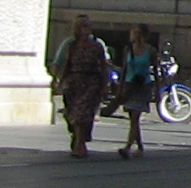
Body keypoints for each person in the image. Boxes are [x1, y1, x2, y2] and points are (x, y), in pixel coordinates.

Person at [49, 17, 112, 158]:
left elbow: (103, 66)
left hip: (91, 83)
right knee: (73, 114)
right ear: (77, 29)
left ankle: (80, 144)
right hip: (74, 83)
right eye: (83, 26)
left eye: (88, 26)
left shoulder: (97, 46)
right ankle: (78, 139)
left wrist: (104, 85)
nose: (86, 29)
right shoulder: (71, 45)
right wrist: (60, 81)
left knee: (83, 114)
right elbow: (66, 64)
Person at [113, 25, 157, 159]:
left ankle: (127, 147)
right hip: (129, 85)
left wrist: (157, 90)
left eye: (138, 33)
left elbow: (155, 70)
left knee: (135, 117)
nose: (136, 35)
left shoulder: (150, 51)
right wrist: (120, 89)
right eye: (134, 32)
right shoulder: (128, 49)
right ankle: (140, 146)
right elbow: (124, 69)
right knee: (133, 118)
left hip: (143, 86)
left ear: (145, 35)